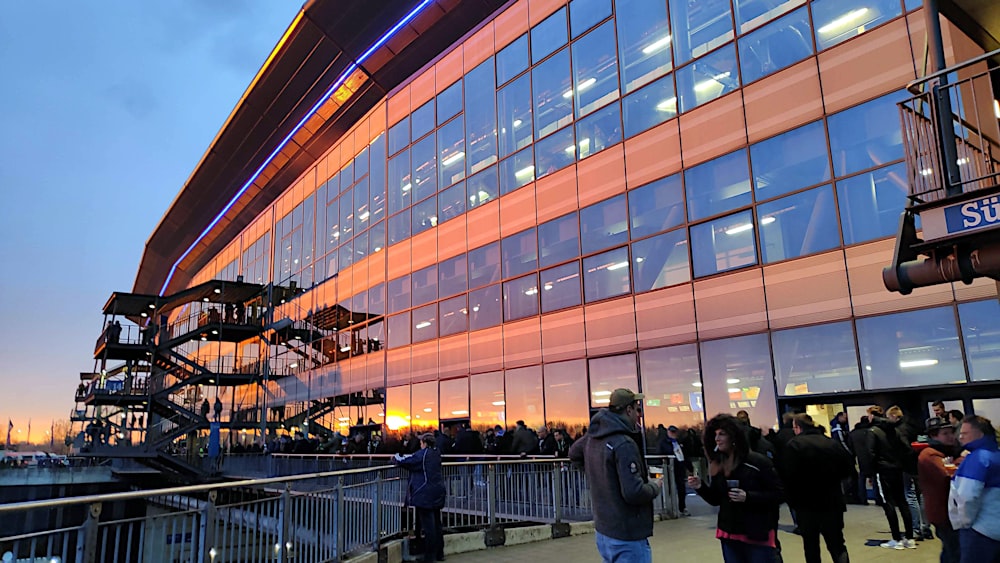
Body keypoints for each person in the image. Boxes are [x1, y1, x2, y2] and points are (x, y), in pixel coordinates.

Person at [569, 389, 661, 563]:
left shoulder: (593, 436)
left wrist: (599, 476)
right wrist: (655, 487)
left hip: (604, 531)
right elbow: (634, 492)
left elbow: (574, 453)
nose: (638, 415)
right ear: (628, 410)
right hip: (627, 535)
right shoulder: (624, 443)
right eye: (637, 409)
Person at [688, 413, 783, 562]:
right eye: (715, 435)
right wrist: (700, 487)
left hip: (757, 533)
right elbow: (715, 499)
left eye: (722, 434)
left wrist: (748, 497)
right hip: (729, 533)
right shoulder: (719, 464)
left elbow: (779, 494)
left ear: (733, 437)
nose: (717, 439)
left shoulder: (757, 462)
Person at [782, 413, 852, 563]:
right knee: (837, 544)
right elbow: (847, 469)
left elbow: (788, 477)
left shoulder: (794, 445)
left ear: (797, 427)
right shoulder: (831, 443)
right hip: (832, 501)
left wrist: (792, 502)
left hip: (806, 504)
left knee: (811, 546)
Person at [860, 406, 916, 549]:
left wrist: (870, 473)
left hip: (882, 471)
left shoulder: (872, 432)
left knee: (888, 503)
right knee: (902, 502)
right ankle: (909, 537)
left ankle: (896, 538)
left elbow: (870, 453)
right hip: (897, 469)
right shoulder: (894, 430)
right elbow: (906, 448)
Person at [950, 415, 1000, 562]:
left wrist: (964, 523)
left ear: (980, 434)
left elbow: (967, 496)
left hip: (980, 532)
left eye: (965, 433)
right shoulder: (995, 455)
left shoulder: (977, 459)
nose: (960, 437)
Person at [394, 433, 446, 563]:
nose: (420, 445)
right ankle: (439, 554)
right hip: (437, 491)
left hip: (425, 492)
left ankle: (429, 557)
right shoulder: (436, 453)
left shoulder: (423, 454)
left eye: (421, 443)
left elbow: (407, 461)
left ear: (425, 443)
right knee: (436, 524)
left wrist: (396, 458)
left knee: (429, 527)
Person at [918, 416, 962, 563]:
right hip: (942, 512)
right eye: (945, 434)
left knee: (950, 549)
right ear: (933, 435)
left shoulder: (947, 452)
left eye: (951, 432)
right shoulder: (929, 454)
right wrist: (961, 460)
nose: (951, 437)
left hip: (949, 510)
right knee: (953, 550)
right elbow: (948, 475)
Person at [659, 425, 694, 516]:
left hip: (679, 467)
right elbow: (660, 454)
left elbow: (684, 456)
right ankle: (668, 508)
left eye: (674, 432)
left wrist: (690, 467)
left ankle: (682, 508)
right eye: (671, 432)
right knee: (668, 488)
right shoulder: (664, 443)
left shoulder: (679, 443)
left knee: (681, 488)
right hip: (669, 468)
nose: (673, 434)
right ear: (668, 432)